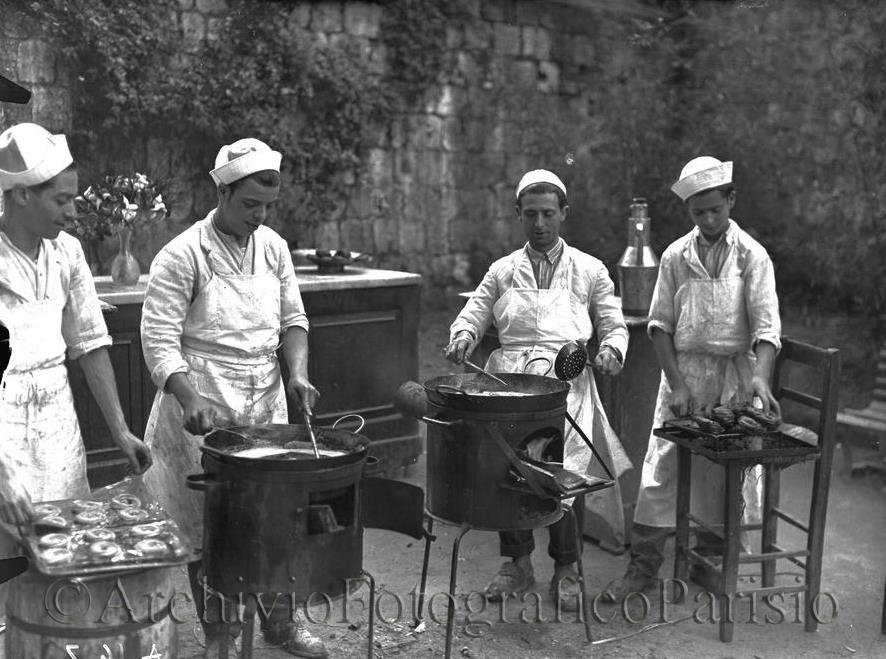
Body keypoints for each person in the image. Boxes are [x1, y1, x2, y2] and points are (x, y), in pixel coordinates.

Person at [140, 138, 325, 658]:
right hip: (202, 402)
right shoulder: (182, 255)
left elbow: (294, 320)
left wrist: (298, 376)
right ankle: (219, 631)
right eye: (249, 204)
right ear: (221, 191)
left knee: (276, 514)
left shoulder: (275, 248)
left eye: (268, 205)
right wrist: (188, 395)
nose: (260, 216)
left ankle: (281, 624)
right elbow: (157, 339)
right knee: (209, 526)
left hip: (264, 399)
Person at [445, 169, 631, 610]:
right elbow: (474, 313)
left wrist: (611, 352)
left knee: (563, 478)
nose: (540, 223)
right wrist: (463, 336)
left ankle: (567, 568)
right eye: (531, 214)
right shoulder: (502, 270)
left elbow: (614, 325)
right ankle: (517, 564)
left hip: (567, 388)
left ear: (564, 213)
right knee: (508, 473)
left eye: (549, 213)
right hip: (509, 387)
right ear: (518, 215)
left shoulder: (590, 269)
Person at [604, 156, 782, 601]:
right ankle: (643, 567)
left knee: (725, 477)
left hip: (735, 382)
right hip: (684, 377)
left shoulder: (752, 256)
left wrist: (760, 379)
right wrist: (678, 383)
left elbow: (766, 329)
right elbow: (659, 325)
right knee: (661, 471)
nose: (707, 220)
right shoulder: (675, 256)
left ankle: (711, 563)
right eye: (697, 213)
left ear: (731, 200)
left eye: (714, 210)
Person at [0, 122, 152, 595]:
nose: (72, 212)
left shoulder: (66, 252)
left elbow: (88, 342)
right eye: (61, 200)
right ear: (22, 195)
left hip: (56, 416)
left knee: (63, 551)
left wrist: (120, 428)